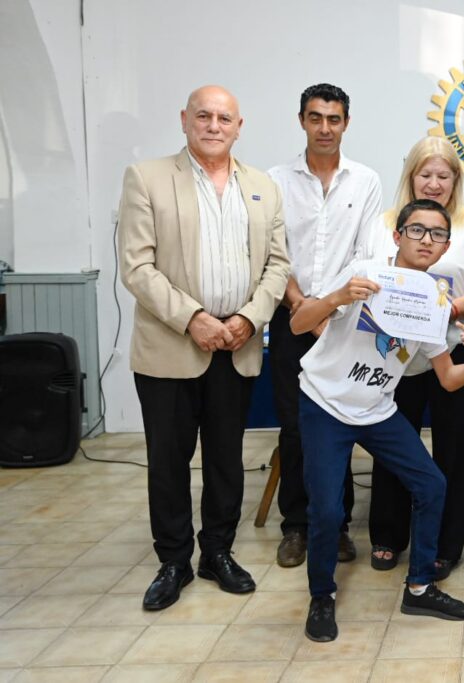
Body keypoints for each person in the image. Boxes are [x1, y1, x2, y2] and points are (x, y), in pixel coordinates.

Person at [118, 85, 290, 610]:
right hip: (170, 348)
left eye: (224, 118)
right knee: (168, 461)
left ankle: (217, 552)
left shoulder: (262, 187)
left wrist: (248, 319)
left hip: (236, 345)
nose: (214, 126)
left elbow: (277, 266)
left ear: (239, 126)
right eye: (204, 116)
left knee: (225, 459)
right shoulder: (147, 178)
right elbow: (137, 266)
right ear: (184, 120)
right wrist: (193, 319)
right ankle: (174, 561)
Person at [290, 199, 464, 642]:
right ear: (397, 236)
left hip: (377, 409)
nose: (426, 240)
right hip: (325, 403)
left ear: (446, 247)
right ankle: (322, 595)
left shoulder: (434, 300)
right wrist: (337, 297)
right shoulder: (364, 272)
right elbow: (299, 325)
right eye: (416, 230)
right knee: (326, 509)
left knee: (432, 485)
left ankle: (419, 587)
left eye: (437, 234)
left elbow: (448, 379)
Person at [267, 83, 382, 568]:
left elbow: (366, 253)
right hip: (291, 317)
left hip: (343, 321)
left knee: (340, 423)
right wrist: (304, 308)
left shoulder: (365, 181)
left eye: (334, 119)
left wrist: (330, 311)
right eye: (315, 118)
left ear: (346, 124)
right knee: (296, 427)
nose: (325, 128)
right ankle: (296, 526)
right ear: (302, 121)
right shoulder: (275, 180)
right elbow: (273, 253)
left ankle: (336, 527)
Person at [363, 137, 464, 578]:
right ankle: (388, 534)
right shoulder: (383, 223)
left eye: (443, 175)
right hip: (394, 354)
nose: (434, 183)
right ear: (411, 176)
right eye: (425, 174)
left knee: (454, 450)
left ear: (456, 180)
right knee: (392, 444)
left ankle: (444, 545)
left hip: (454, 346)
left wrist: (446, 310)